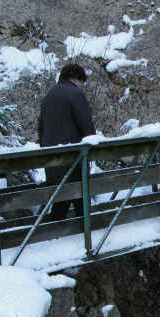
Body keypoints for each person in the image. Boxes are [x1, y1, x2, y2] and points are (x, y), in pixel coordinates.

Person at [38, 63, 96, 221]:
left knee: (60, 198)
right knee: (79, 195)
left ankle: (60, 233)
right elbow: (86, 125)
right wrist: (93, 143)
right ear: (77, 79)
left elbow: (40, 128)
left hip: (51, 157)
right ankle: (86, 234)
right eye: (81, 82)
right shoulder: (75, 94)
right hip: (72, 157)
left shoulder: (49, 95)